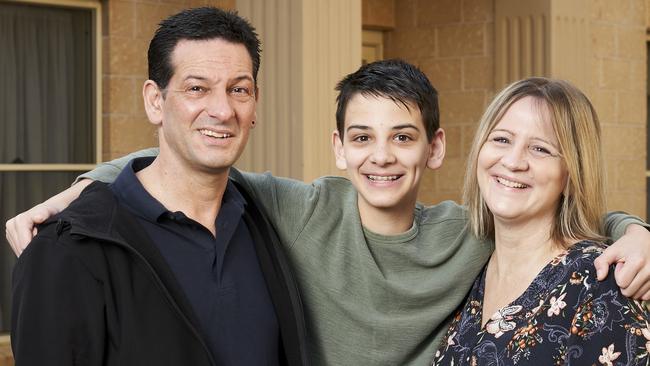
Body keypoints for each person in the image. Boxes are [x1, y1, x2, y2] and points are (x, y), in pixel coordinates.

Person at [7, 60, 650, 365]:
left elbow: (562, 216)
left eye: (403, 136)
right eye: (362, 138)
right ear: (338, 148)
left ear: (436, 148)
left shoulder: (471, 234)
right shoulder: (300, 207)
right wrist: (83, 190)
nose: (382, 158)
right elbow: (181, 163)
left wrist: (635, 230)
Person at [10, 7, 308, 366]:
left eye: (238, 89)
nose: (223, 110)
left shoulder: (265, 221)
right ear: (155, 101)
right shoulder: (68, 249)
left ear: (255, 104)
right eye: (197, 88)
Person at [432, 78, 650, 365]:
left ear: (572, 175)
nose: (513, 161)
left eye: (540, 149)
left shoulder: (600, 286)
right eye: (501, 139)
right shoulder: (467, 266)